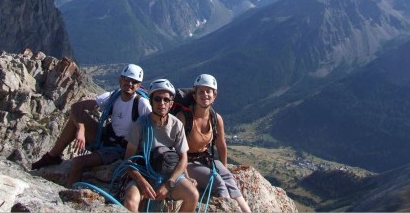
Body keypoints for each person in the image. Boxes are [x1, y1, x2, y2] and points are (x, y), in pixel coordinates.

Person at [31, 64, 151, 188]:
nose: (129, 83)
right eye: (127, 79)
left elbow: (153, 125)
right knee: (75, 120)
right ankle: (52, 156)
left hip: (121, 149)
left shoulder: (142, 104)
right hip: (107, 138)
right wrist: (81, 129)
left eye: (134, 81)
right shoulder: (113, 96)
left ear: (138, 85)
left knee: (78, 162)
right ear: (120, 79)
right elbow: (76, 107)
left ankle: (69, 194)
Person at [121, 78, 199, 212]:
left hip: (169, 176)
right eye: (157, 99)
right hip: (144, 174)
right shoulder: (141, 124)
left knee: (193, 195)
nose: (161, 103)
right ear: (151, 101)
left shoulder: (176, 125)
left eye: (166, 100)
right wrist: (142, 182)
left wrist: (170, 183)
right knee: (130, 201)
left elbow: (183, 158)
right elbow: (128, 161)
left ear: (171, 104)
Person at [177, 74, 251, 212]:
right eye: (201, 91)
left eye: (208, 91)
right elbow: (175, 150)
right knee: (217, 181)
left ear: (214, 95)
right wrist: (185, 176)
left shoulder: (215, 118)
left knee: (228, 177)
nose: (205, 94)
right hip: (187, 162)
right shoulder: (183, 118)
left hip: (205, 158)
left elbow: (221, 145)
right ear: (194, 95)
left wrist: (223, 167)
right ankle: (229, 209)